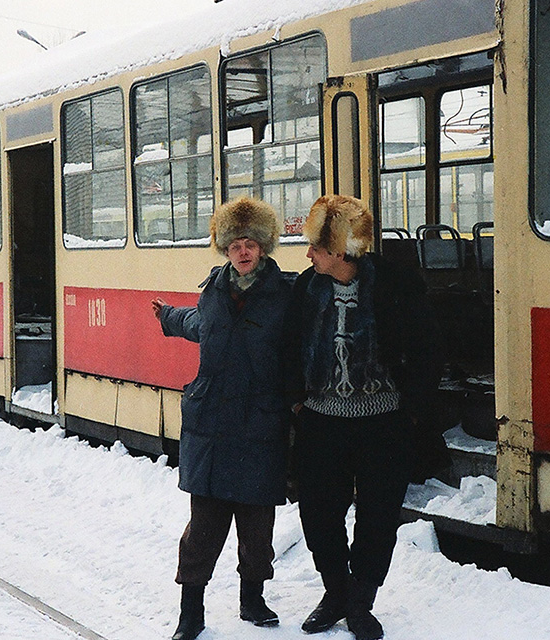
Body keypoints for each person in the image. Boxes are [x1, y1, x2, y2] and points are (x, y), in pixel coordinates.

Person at [285, 195, 438, 640]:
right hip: (321, 422)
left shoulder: (395, 285)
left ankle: (360, 602)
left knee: (378, 517)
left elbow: (428, 349)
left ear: (340, 251)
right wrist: (296, 402)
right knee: (319, 514)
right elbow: (286, 349)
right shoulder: (306, 290)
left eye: (316, 247)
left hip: (383, 423)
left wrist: (411, 411)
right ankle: (336, 593)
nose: (309, 255)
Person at [152, 196, 294, 640]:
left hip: (260, 426)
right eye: (235, 245)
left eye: (250, 244)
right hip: (211, 426)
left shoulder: (286, 295)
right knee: (203, 530)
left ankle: (253, 599)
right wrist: (168, 317)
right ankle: (190, 614)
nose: (242, 251)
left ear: (263, 247)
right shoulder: (213, 290)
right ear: (226, 249)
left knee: (257, 529)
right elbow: (202, 325)